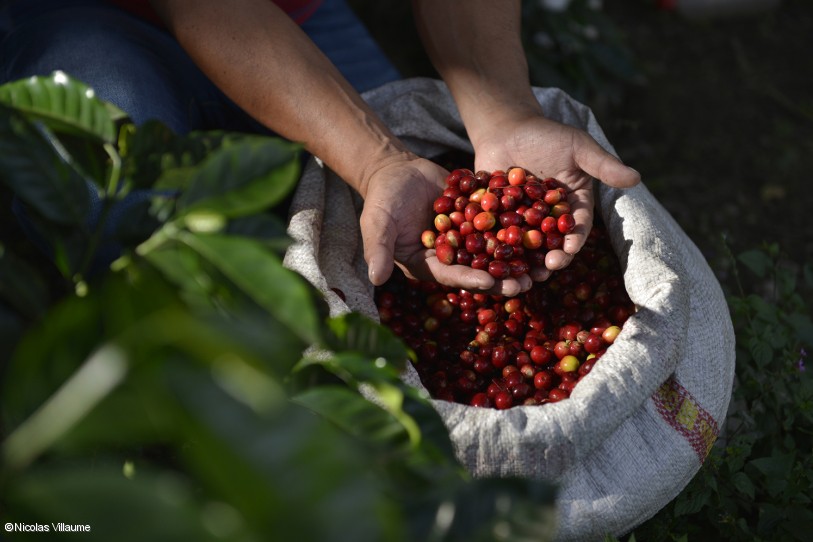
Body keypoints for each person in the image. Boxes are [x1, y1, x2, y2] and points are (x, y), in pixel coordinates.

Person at [0, 0, 640, 296]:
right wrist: (373, 156)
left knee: (386, 228)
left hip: (291, 13)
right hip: (95, 10)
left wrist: (503, 113)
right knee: (107, 195)